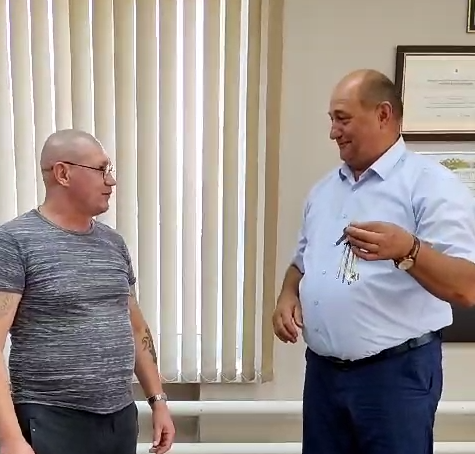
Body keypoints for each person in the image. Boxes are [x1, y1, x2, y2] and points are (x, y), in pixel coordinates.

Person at [272, 69, 475, 454]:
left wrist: (408, 250)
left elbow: (466, 287)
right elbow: (301, 263)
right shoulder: (323, 191)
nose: (333, 132)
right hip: (324, 375)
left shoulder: (432, 186)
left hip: (395, 376)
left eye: (342, 118)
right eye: (332, 119)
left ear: (383, 114)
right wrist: (287, 294)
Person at [0, 129, 175, 454]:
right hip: (51, 419)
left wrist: (159, 401)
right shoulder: (14, 242)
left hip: (119, 418)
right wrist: (11, 440)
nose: (112, 181)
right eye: (101, 169)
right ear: (63, 173)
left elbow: (136, 328)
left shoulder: (113, 243)